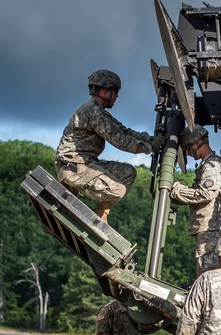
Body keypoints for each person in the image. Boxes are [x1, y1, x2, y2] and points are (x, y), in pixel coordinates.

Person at [55, 69, 163, 222]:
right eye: (115, 91)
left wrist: (152, 140)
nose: (117, 96)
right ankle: (72, 187)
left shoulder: (98, 111)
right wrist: (150, 147)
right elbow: (120, 140)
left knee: (128, 172)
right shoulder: (93, 111)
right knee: (118, 190)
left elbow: (124, 131)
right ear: (105, 91)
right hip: (73, 166)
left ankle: (101, 213)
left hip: (85, 163)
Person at [170, 127, 221, 275]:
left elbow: (206, 193)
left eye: (188, 148)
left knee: (208, 272)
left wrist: (177, 190)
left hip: (210, 228)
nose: (188, 153)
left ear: (198, 142)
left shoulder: (212, 165)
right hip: (209, 227)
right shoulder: (209, 164)